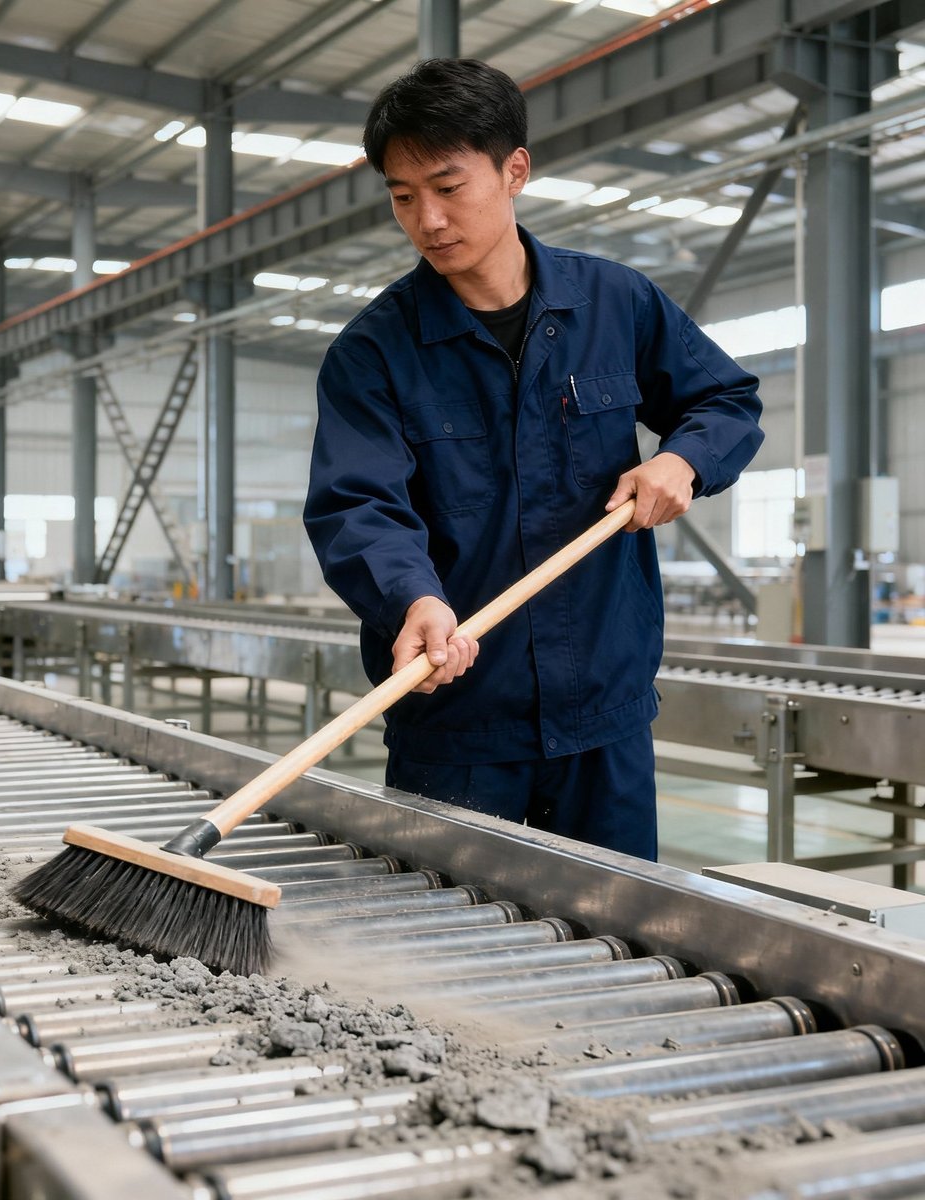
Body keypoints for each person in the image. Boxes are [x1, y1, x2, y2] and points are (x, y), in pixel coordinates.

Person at [302, 57, 763, 861]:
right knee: (438, 955)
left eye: (449, 187)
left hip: (604, 716)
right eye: (403, 196)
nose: (428, 219)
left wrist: (683, 462)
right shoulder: (373, 354)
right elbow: (358, 504)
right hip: (457, 717)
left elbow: (724, 401)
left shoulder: (617, 305)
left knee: (617, 947)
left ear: (515, 170)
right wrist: (412, 599)